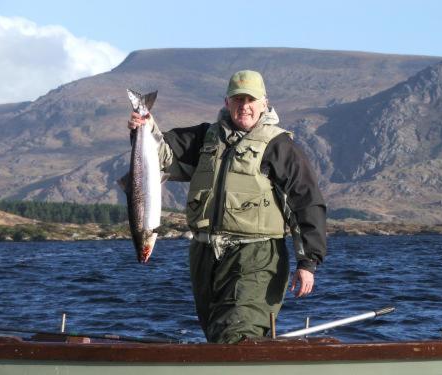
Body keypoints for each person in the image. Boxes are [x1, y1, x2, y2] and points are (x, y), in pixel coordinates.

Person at [127, 70, 326, 343]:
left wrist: (308, 262)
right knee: (216, 336)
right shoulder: (204, 138)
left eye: (250, 99)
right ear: (226, 102)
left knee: (237, 335)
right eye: (237, 99)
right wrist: (145, 128)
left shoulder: (280, 146)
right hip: (205, 256)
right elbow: (161, 157)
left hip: (256, 256)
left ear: (264, 103)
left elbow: (306, 202)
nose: (244, 106)